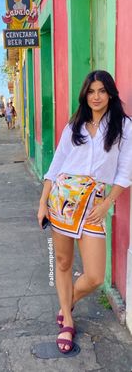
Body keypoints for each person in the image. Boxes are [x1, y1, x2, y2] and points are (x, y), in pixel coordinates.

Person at [37, 70, 132, 354]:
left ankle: (68, 301)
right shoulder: (75, 124)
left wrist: (106, 204)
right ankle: (67, 318)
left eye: (102, 90)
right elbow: (56, 165)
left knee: (93, 275)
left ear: (111, 93)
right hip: (62, 199)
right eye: (91, 91)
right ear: (85, 95)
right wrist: (43, 202)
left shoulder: (123, 126)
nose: (96, 96)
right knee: (62, 263)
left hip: (94, 204)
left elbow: (125, 171)